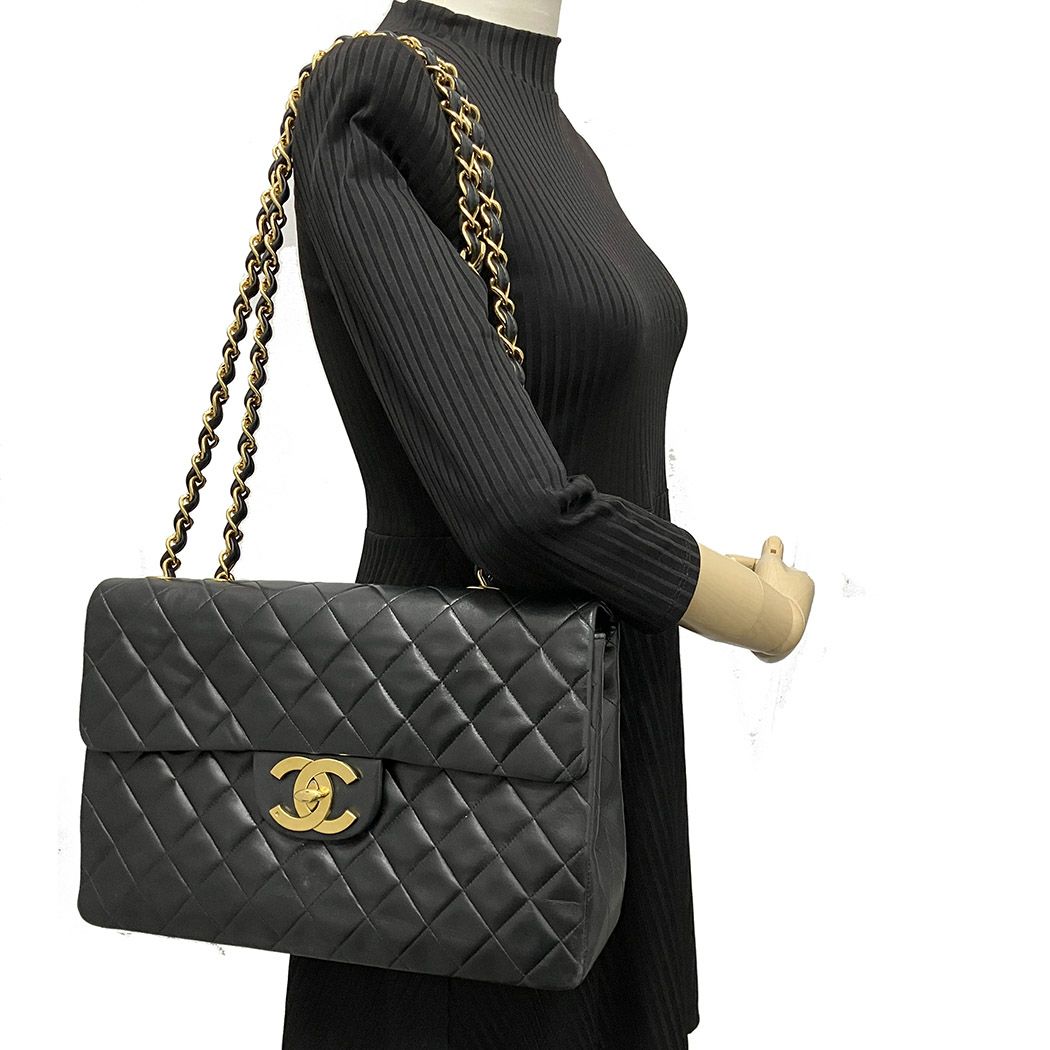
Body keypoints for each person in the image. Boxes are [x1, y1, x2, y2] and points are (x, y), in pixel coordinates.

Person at [282, 1, 814, 1047]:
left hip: (601, 728)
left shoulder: (544, 118)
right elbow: (515, 511)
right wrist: (761, 611)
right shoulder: (376, 93)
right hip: (451, 767)